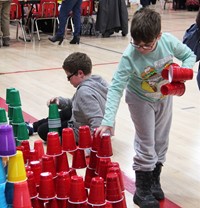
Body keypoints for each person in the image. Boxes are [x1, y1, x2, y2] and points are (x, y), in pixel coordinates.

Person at [95, 8, 196, 208]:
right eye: (136, 43)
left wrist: (183, 73)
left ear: (158, 36)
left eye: (146, 45)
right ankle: (141, 190)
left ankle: (153, 181)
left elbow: (189, 55)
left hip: (164, 97)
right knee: (146, 141)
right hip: (139, 99)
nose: (140, 48)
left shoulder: (167, 42)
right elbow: (115, 87)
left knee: (161, 140)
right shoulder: (129, 56)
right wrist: (108, 121)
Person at [27, 52, 108, 144]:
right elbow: (76, 102)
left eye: (69, 77)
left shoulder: (84, 92)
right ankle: (33, 126)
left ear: (80, 73)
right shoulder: (97, 80)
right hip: (81, 121)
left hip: (81, 131)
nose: (68, 80)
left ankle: (34, 127)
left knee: (43, 131)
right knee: (66, 112)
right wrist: (60, 101)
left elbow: (97, 121)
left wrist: (90, 146)